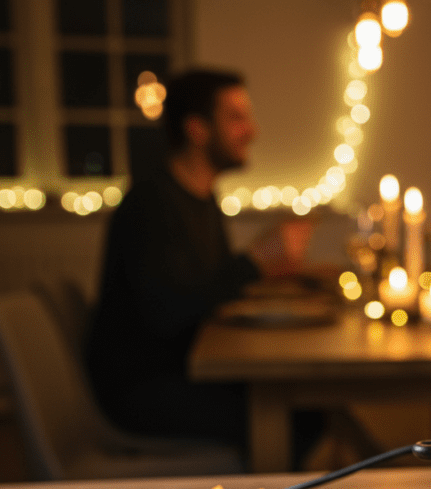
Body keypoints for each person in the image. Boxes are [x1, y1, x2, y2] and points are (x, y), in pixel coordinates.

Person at [85, 68, 311, 454]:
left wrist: (272, 272)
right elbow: (171, 310)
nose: (252, 131)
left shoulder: (203, 199)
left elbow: (213, 287)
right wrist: (256, 262)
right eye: (237, 117)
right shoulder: (151, 205)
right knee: (296, 415)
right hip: (145, 391)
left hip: (183, 371)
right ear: (197, 129)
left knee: (307, 404)